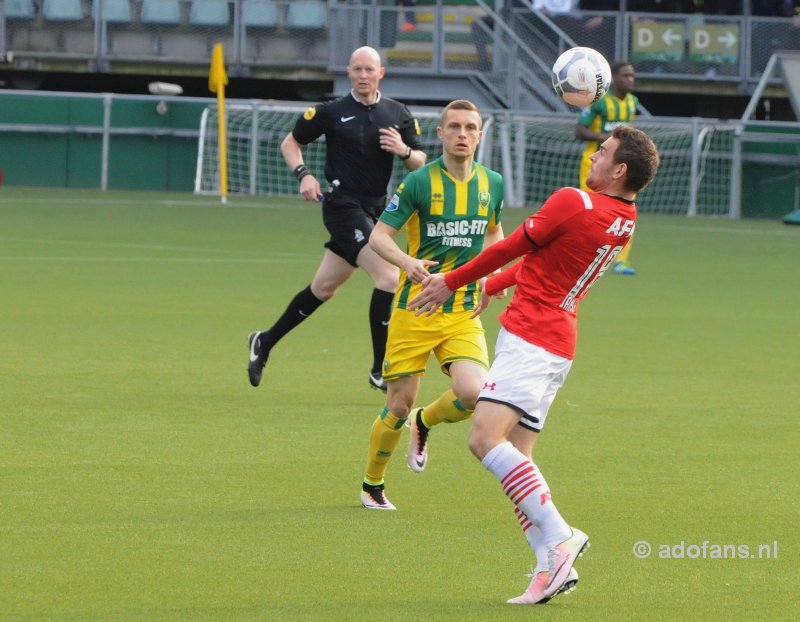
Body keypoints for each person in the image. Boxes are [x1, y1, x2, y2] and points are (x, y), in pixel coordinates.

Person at [409, 125, 660, 604]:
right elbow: (545, 258)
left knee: (483, 439)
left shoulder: (574, 200)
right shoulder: (624, 216)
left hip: (531, 338)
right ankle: (549, 567)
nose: (593, 158)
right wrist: (493, 283)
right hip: (559, 341)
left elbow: (513, 247)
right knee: (519, 462)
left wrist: (453, 281)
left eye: (602, 153)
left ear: (619, 169)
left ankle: (561, 535)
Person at [247, 46, 426, 392]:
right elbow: (290, 142)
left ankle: (263, 342)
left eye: (369, 70)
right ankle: (380, 370)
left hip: (377, 211)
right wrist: (304, 175)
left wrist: (403, 151)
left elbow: (419, 159)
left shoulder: (397, 113)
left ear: (380, 73)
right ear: (349, 72)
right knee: (389, 276)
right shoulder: (331, 111)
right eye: (356, 69)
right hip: (342, 206)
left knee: (324, 288)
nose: (362, 75)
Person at [359, 99, 505, 511]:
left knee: (475, 394)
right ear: (440, 134)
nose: (462, 134)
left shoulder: (492, 183)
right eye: (454, 127)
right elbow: (378, 237)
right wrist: (408, 264)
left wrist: (491, 277)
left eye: (470, 127)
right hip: (415, 308)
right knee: (397, 405)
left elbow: (494, 234)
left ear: (480, 135)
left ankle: (426, 422)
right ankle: (372, 484)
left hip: (462, 311)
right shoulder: (419, 183)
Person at [575, 60, 639, 275]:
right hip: (593, 164)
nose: (630, 79)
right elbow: (579, 131)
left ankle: (621, 261)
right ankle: (582, 254)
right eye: (626, 75)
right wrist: (604, 137)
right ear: (614, 78)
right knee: (589, 211)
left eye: (632, 75)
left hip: (621, 168)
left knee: (624, 210)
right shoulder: (599, 102)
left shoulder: (632, 102)